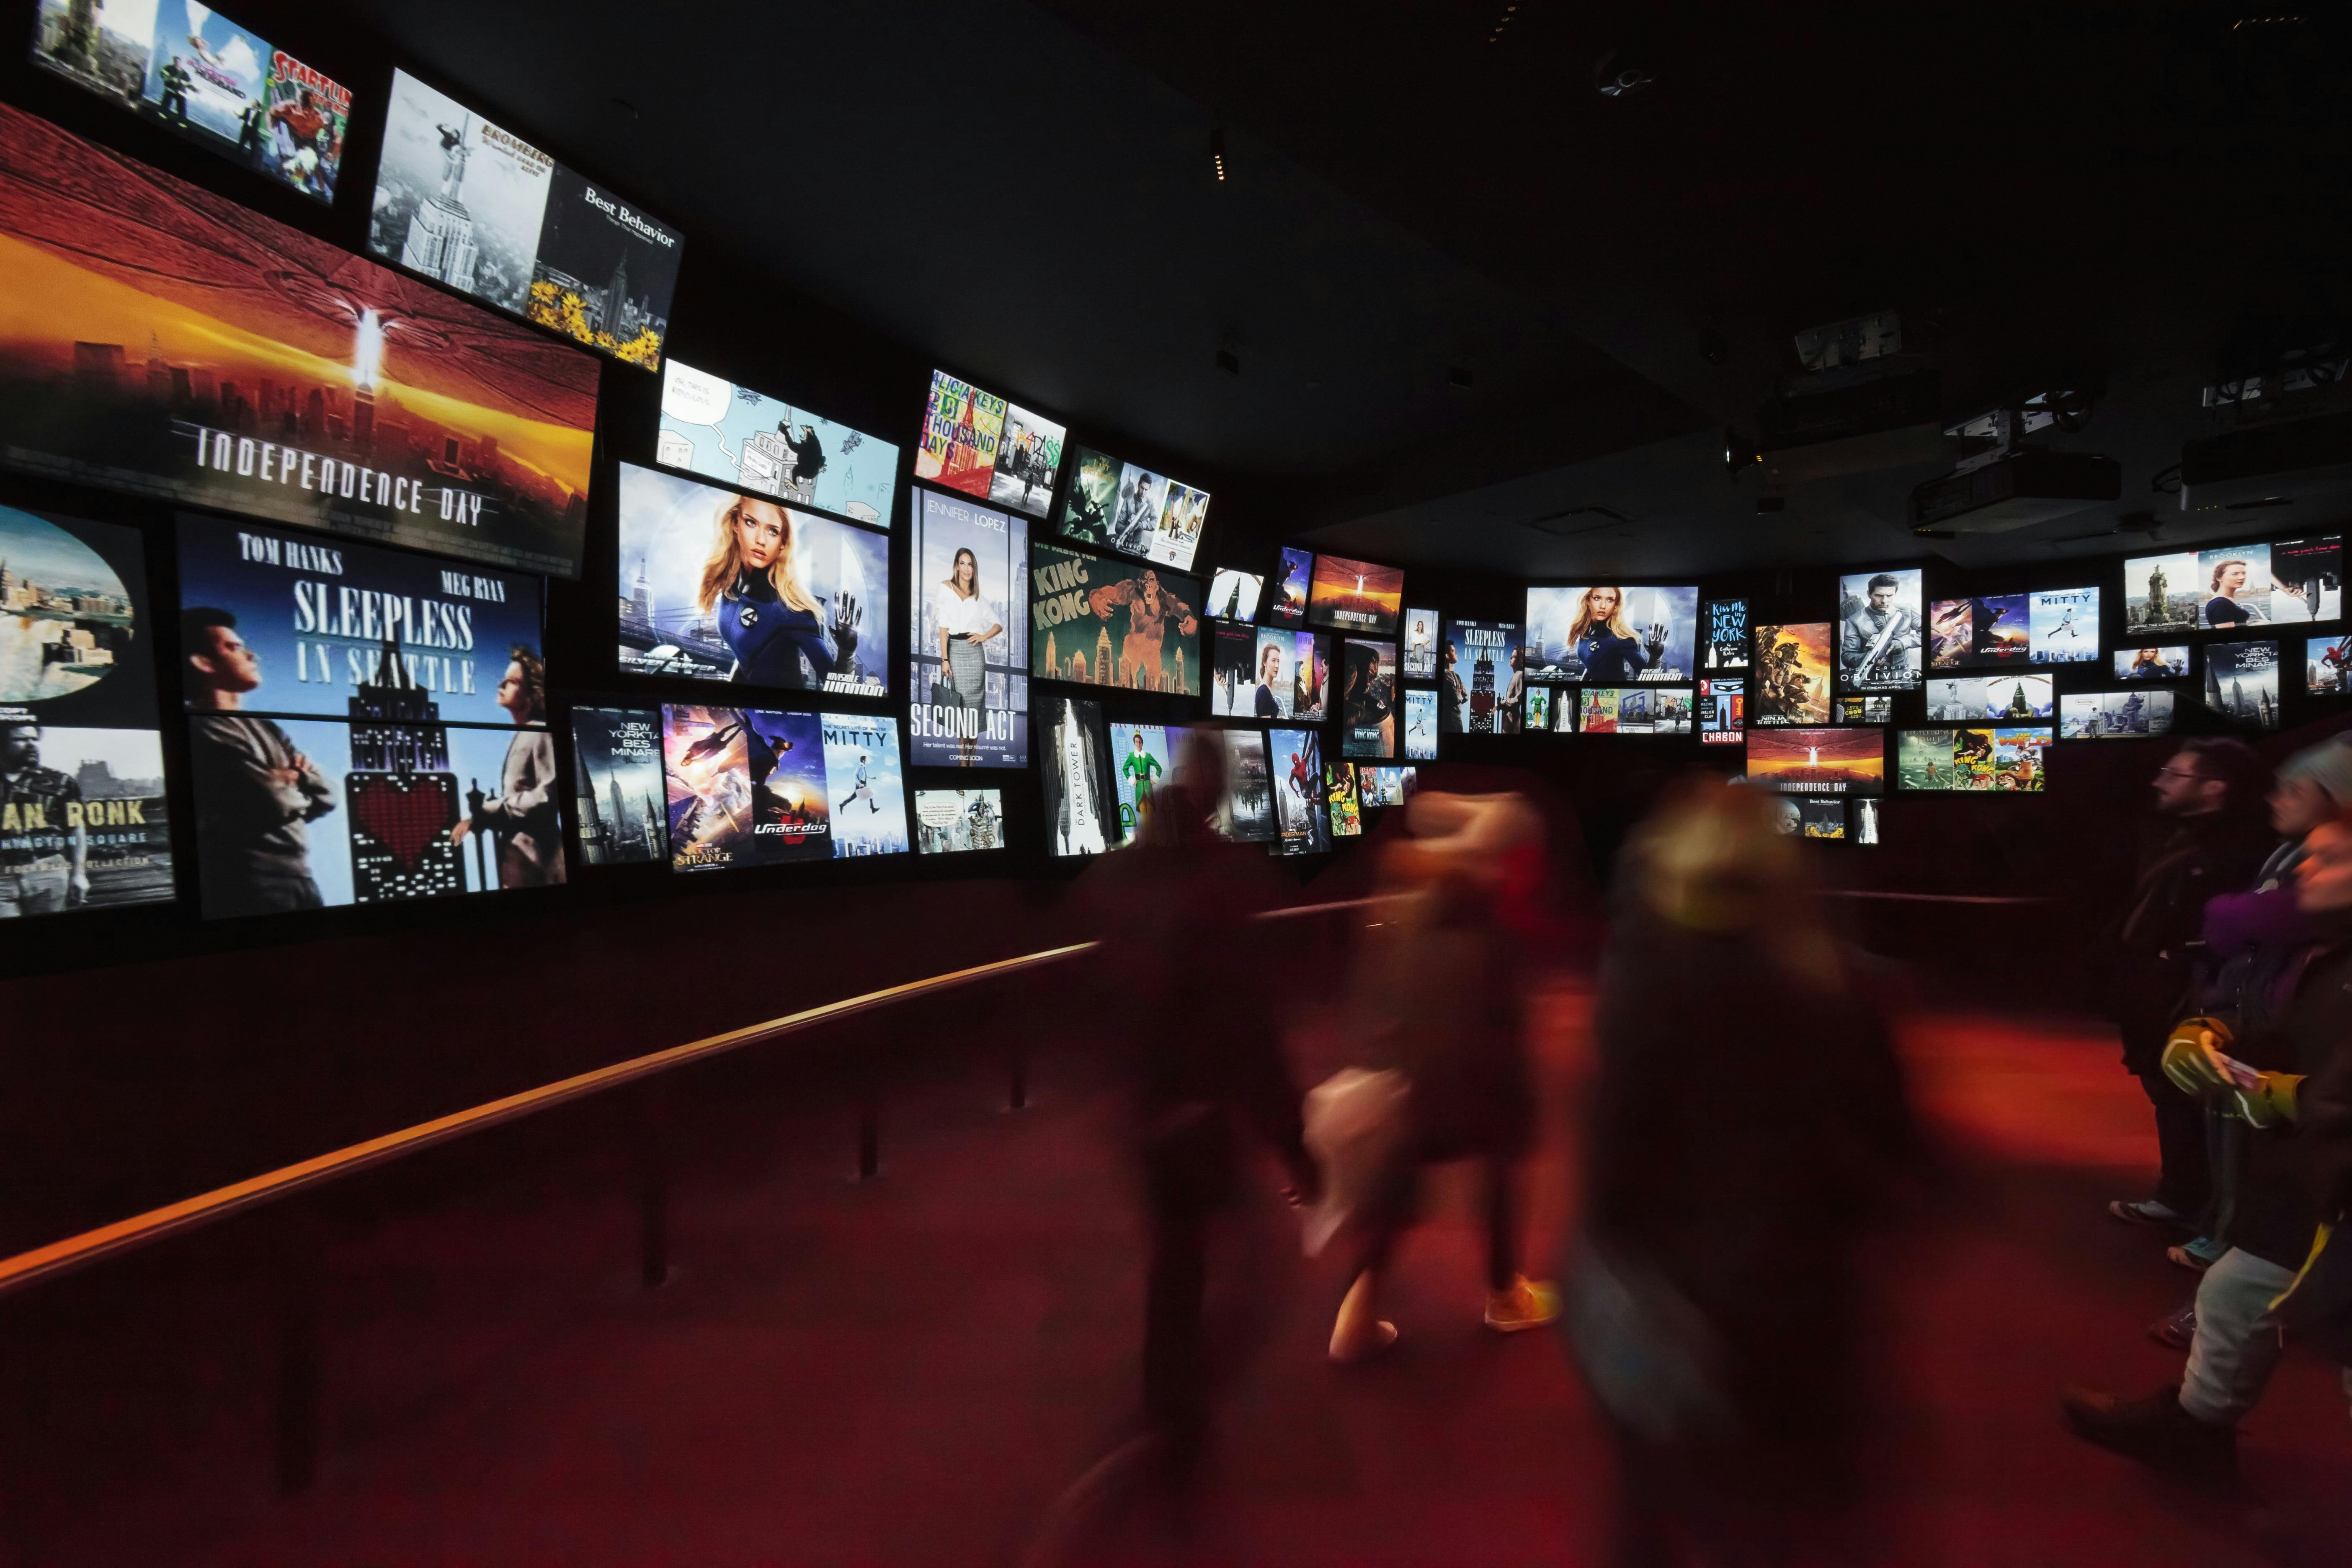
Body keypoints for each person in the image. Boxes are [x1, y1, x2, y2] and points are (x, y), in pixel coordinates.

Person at [1570, 781, 1912, 1566]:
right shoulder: (1844, 991)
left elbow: (1611, 1174)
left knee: (1652, 1511)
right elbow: (1896, 1161)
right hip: (1797, 1304)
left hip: (1666, 1305)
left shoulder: (1641, 996)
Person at [2064, 814, 2352, 1478]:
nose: (2301, 871)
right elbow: (2268, 1017)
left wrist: (2286, 1096)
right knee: (2235, 1290)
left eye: (2328, 861)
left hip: (2336, 1184)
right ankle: (2195, 1429)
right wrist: (2209, 1029)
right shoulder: (2322, 946)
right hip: (2317, 1178)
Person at [1070, 730, 1316, 1493]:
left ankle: (1166, 1410)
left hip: (1142, 1105)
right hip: (1204, 1109)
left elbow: (1096, 991)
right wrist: (1295, 1144)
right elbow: (1251, 1027)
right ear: (1218, 790)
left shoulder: (1114, 874)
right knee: (1251, 1277)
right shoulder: (1230, 880)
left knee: (1175, 1259)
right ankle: (1180, 1416)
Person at [1327, 792, 1560, 1362]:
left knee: (1398, 1185)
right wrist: (1525, 1107)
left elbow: (1380, 1003)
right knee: (1503, 1160)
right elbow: (1500, 1035)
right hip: (1467, 1093)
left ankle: (1354, 1317)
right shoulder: (1489, 928)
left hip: (1412, 1091)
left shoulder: (1411, 912)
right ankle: (1505, 1295)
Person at [2106, 740, 2274, 1233]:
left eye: (2173, 775)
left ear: (2214, 788)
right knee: (2171, 1099)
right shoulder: (2187, 839)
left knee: (2192, 1101)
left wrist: (2174, 962)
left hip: (2189, 1001)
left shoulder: (2236, 852)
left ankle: (2203, 1210)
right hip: (2158, 996)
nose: (2159, 782)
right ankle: (2188, 1199)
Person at [183, 607, 335, 916]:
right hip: (248, 885)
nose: (253, 656)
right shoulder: (201, 727)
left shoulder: (268, 728)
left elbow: (327, 793)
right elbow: (269, 799)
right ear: (203, 663)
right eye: (234, 647)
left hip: (301, 881)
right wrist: (292, 780)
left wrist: (290, 777)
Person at [697, 494, 862, 689]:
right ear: (735, 524)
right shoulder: (730, 588)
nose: (760, 540)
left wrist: (847, 652)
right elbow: (749, 656)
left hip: (790, 717)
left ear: (783, 543)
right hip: (750, 714)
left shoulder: (793, 611)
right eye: (751, 523)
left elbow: (838, 688)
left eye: (773, 532)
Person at [450, 646, 564, 889]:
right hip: (521, 857)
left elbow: (546, 795)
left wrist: (491, 810)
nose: (501, 685)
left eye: (512, 682)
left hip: (538, 860)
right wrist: (479, 818)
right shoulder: (524, 733)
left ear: (532, 694)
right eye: (503, 680)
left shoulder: (539, 733)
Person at [0, 722, 87, 916]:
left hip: (48, 871)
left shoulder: (60, 782)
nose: (31, 745)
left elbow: (76, 829)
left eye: (34, 739)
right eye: (22, 739)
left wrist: (79, 874)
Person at [931, 546, 1001, 764]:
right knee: (962, 708)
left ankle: (973, 758)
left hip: (975, 655)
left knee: (975, 709)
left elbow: (999, 624)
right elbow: (943, 627)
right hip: (956, 652)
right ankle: (963, 759)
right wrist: (945, 659)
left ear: (974, 568)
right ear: (956, 566)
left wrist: (984, 636)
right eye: (963, 563)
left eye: (970, 564)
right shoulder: (946, 588)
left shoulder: (979, 598)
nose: (967, 568)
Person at [1571, 586, 1670, 684]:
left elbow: (1646, 676)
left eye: (1610, 600)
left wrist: (1656, 658)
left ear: (1616, 605)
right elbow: (1592, 665)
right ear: (1588, 601)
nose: (1603, 606)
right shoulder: (1584, 634)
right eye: (1597, 598)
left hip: (1617, 696)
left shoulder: (1622, 640)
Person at [1838, 573, 1920, 688]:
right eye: (1879, 595)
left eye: (1890, 596)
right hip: (1873, 681)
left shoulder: (1907, 610)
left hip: (1903, 680)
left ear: (1895, 594)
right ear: (1869, 594)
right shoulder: (1855, 620)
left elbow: (1931, 633)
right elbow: (1847, 656)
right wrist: (1867, 658)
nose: (1884, 601)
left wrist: (1904, 643)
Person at [2205, 558, 2259, 629]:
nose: (2242, 577)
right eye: (2235, 574)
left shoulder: (2225, 600)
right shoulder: (2221, 604)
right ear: (2219, 578)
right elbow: (2229, 637)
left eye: (2244, 573)